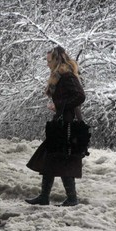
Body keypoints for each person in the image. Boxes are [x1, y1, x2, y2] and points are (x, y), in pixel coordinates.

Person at [25, 46, 86, 206]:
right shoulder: (60, 77)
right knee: (51, 157)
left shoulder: (66, 76)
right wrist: (59, 106)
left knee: (62, 158)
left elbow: (80, 95)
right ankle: (45, 196)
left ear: (57, 60)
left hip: (67, 124)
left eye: (49, 61)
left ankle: (71, 198)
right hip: (61, 122)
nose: (47, 64)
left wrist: (59, 105)